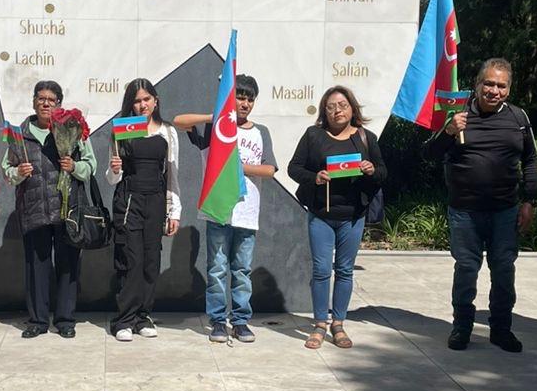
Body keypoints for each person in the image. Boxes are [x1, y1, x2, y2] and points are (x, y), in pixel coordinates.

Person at [426, 57, 537, 353]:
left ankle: (501, 329)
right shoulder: (457, 115)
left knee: (503, 269)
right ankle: (461, 327)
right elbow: (431, 154)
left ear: (509, 89)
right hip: (465, 211)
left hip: (505, 210)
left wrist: (529, 201)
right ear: (476, 85)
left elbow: (530, 160)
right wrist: (449, 132)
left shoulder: (518, 118)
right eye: (488, 83)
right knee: (466, 268)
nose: (494, 90)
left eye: (501, 85)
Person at [175, 74, 277, 343]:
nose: (244, 104)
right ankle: (218, 320)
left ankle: (241, 321)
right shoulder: (215, 130)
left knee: (242, 269)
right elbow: (179, 121)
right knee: (217, 268)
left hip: (246, 212)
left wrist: (238, 168)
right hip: (218, 209)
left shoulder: (260, 132)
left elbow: (269, 169)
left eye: (249, 99)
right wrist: (216, 116)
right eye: (239, 98)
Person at [287, 85, 386, 350]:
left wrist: (370, 169)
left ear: (352, 108)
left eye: (342, 105)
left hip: (353, 216)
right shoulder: (314, 135)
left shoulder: (366, 138)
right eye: (331, 106)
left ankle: (338, 323)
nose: (337, 110)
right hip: (321, 214)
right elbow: (293, 168)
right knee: (321, 270)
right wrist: (315, 177)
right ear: (324, 111)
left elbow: (383, 173)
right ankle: (320, 323)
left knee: (344, 270)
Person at [2, 80, 99, 340]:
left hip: (67, 210)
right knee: (36, 267)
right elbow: (6, 170)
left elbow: (91, 166)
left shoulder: (71, 129)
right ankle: (37, 320)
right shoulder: (20, 132)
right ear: (34, 101)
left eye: (51, 100)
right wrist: (18, 173)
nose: (46, 103)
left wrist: (74, 167)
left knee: (68, 267)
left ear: (59, 103)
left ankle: (66, 319)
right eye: (41, 98)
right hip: (34, 209)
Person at [106, 78, 180, 341]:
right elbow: (112, 177)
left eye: (146, 99)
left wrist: (174, 211)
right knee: (131, 260)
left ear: (155, 100)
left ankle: (143, 317)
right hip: (129, 201)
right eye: (137, 100)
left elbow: (172, 174)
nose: (142, 105)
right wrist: (114, 169)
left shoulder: (168, 131)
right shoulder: (124, 129)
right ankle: (123, 320)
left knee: (151, 261)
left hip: (156, 200)